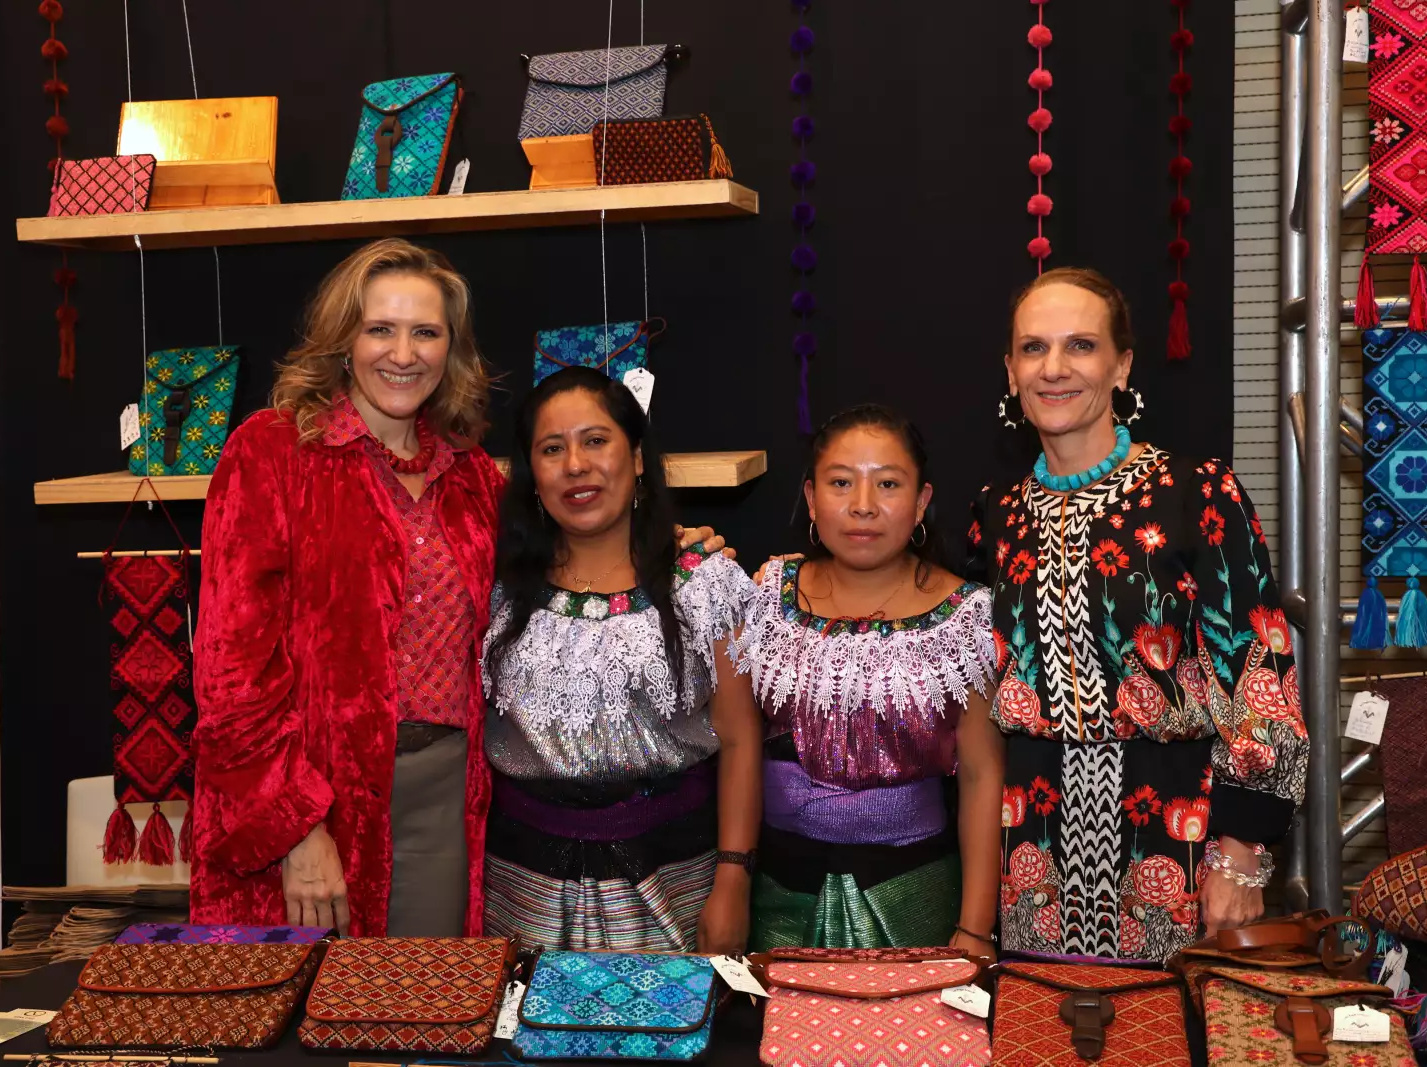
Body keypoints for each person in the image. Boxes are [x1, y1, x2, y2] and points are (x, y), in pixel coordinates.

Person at [190, 239, 722, 939]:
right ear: (343, 339)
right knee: (299, 1024)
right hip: (306, 790)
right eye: (380, 328)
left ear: (451, 349)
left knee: (422, 1017)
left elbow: (566, 557)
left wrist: (674, 547)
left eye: (426, 332)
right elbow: (231, 672)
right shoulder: (272, 452)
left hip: (445, 794)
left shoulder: (473, 478)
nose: (402, 353)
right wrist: (294, 826)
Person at [967, 267, 1306, 962]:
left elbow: (1259, 670)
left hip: (1180, 832)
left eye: (1081, 346)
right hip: (1031, 844)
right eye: (1033, 349)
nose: (1054, 368)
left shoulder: (1197, 491)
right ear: (1009, 371)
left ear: (1122, 365)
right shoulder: (994, 514)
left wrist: (1242, 853)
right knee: (1046, 1034)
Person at [481, 367, 761, 954]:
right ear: (531, 473)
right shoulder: (495, 588)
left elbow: (740, 740)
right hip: (519, 882)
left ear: (636, 458)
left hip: (674, 874)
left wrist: (734, 877)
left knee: (667, 1035)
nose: (576, 465)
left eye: (596, 441)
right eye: (552, 449)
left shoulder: (705, 583)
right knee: (528, 1036)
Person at [735, 405, 1004, 955]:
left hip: (916, 890)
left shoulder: (967, 616)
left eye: (887, 483)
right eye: (840, 483)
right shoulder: (764, 596)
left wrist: (975, 930)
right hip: (780, 888)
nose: (862, 505)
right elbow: (735, 746)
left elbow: (981, 774)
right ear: (811, 499)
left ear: (922, 501)